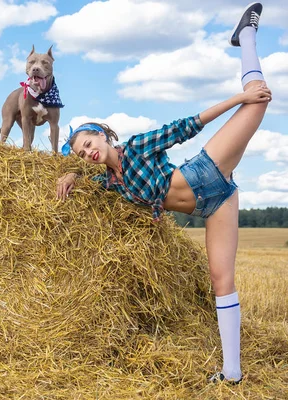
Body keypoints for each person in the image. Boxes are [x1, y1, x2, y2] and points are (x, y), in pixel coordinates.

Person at [56, 3, 270, 384]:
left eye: (89, 141)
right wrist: (72, 171)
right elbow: (79, 180)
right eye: (81, 152)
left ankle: (247, 36)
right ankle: (233, 374)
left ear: (103, 135)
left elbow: (187, 125)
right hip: (216, 205)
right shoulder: (108, 184)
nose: (88, 151)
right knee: (222, 280)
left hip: (207, 170)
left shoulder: (138, 147)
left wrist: (237, 100)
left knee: (258, 99)